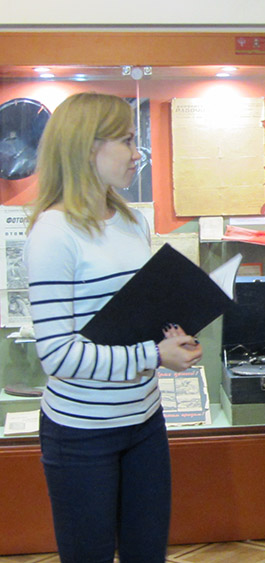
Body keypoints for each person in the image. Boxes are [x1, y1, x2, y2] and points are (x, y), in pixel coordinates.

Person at [24, 92, 203, 563]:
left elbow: (137, 314)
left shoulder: (131, 220)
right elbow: (57, 355)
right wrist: (154, 355)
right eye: (126, 140)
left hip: (145, 421)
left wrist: (175, 336)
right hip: (81, 434)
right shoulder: (53, 233)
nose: (136, 153)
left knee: (148, 554)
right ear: (88, 148)